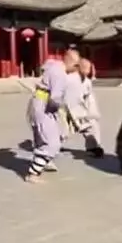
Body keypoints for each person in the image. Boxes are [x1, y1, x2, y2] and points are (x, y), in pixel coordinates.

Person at [25, 48, 80, 182]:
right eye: (77, 65)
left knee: (41, 137)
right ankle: (33, 173)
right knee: (52, 142)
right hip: (44, 105)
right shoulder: (59, 73)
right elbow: (55, 98)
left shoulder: (54, 67)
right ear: (71, 62)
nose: (77, 68)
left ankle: (44, 162)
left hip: (38, 101)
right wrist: (64, 113)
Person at [63, 58, 104, 157]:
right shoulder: (68, 79)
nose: (87, 70)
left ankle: (93, 147)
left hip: (80, 107)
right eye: (85, 67)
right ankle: (46, 148)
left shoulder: (87, 82)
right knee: (60, 130)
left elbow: (89, 98)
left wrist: (93, 112)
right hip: (65, 107)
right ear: (78, 67)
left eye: (89, 68)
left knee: (91, 123)